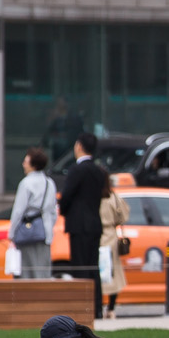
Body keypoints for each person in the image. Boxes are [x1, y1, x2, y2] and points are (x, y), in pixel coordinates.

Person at [58, 131, 109, 318]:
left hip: (79, 225)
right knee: (93, 267)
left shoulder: (76, 170)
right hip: (95, 224)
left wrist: (63, 210)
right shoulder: (99, 171)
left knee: (80, 268)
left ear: (79, 146)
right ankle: (96, 308)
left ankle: (83, 309)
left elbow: (66, 197)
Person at [9, 148, 58, 279]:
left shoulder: (25, 184)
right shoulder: (50, 183)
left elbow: (18, 211)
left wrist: (12, 232)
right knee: (42, 272)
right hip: (44, 233)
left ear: (33, 164)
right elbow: (54, 211)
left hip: (27, 234)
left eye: (26, 161)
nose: (23, 164)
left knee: (26, 272)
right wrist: (48, 226)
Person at [99, 174, 131, 319]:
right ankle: (111, 307)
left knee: (98, 274)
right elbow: (123, 216)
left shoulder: (93, 198)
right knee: (113, 275)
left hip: (97, 236)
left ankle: (98, 306)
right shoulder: (113, 197)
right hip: (111, 237)